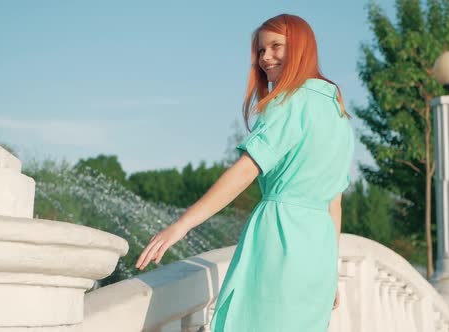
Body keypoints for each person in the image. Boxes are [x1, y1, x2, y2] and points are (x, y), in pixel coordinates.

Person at [135, 13, 354, 331]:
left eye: (276, 46)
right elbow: (334, 204)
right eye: (261, 51)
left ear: (302, 46)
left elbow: (244, 172)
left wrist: (182, 225)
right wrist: (330, 272)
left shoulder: (290, 102)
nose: (266, 58)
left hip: (281, 237)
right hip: (318, 254)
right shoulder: (339, 114)